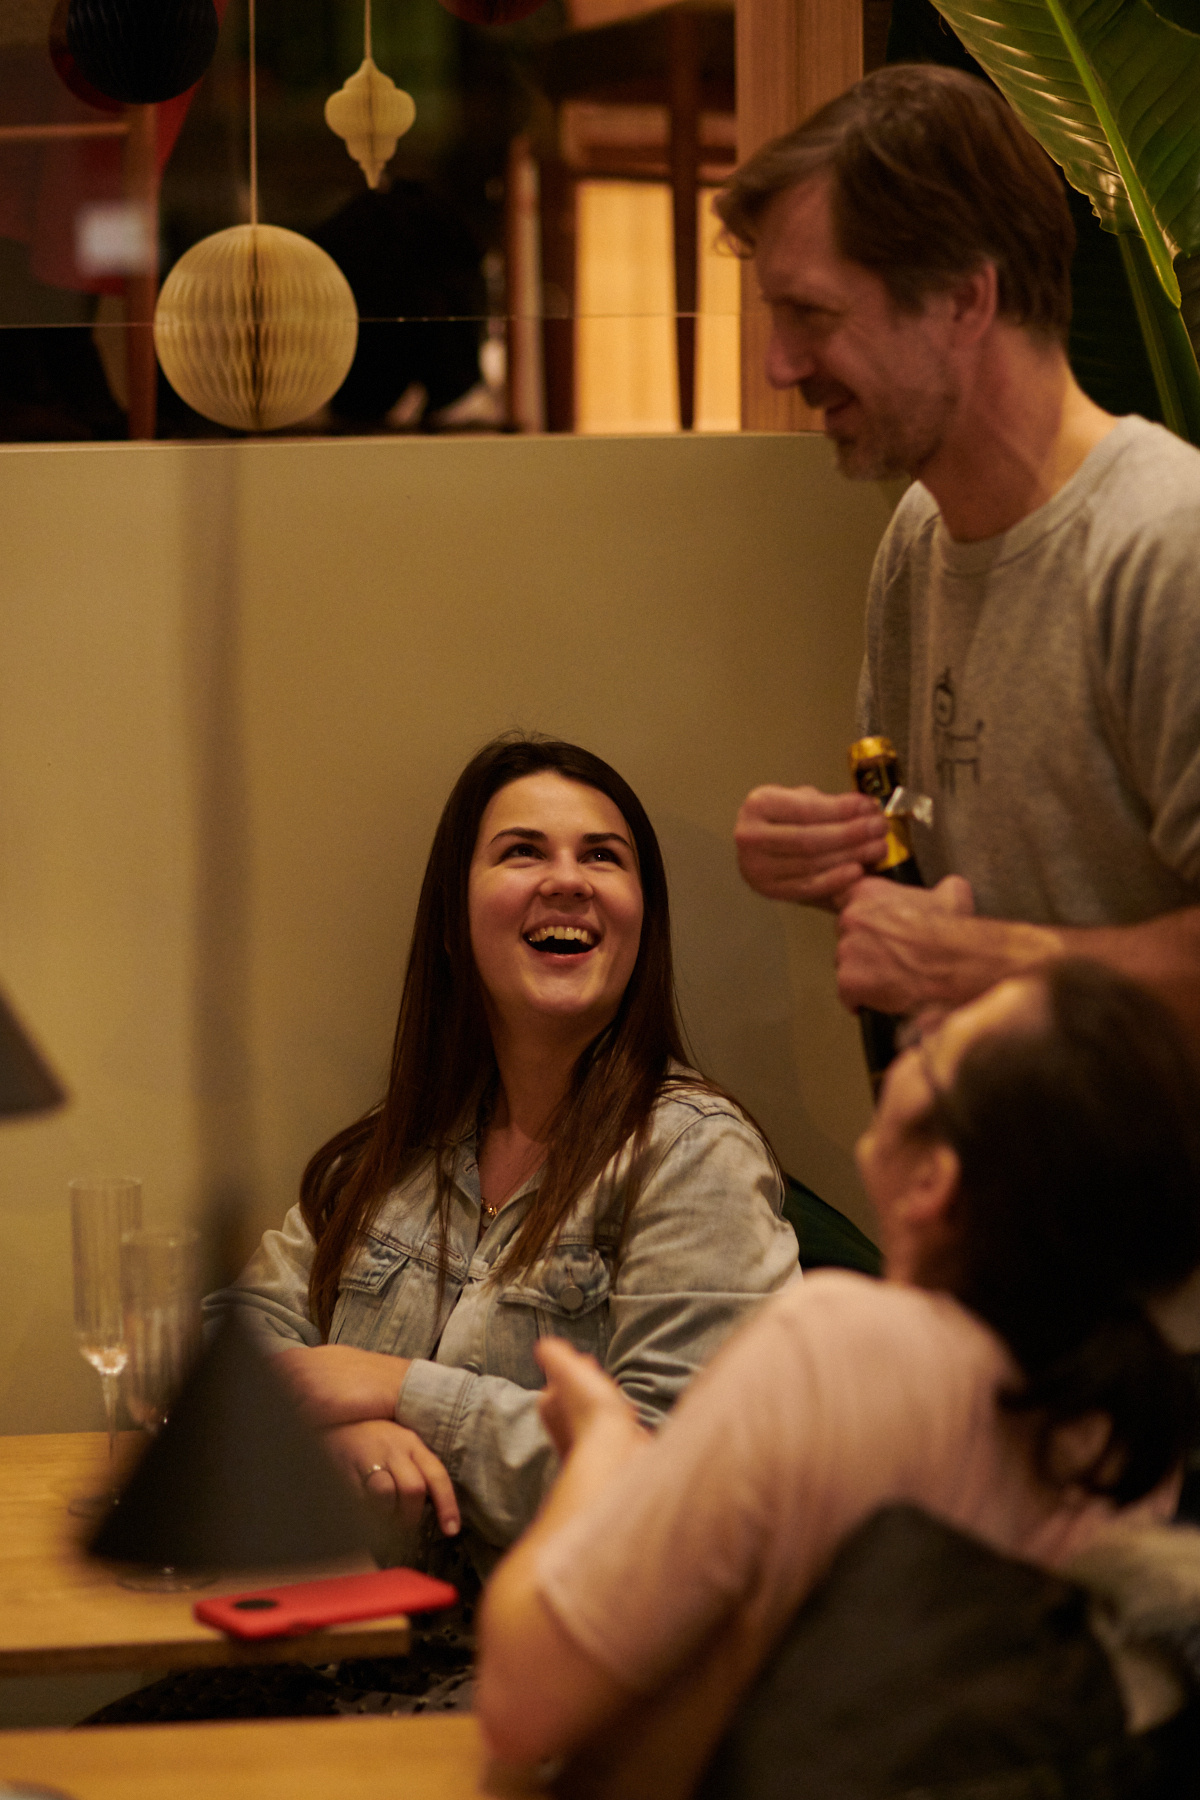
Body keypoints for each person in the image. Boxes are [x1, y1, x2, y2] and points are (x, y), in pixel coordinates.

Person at [476, 959, 1200, 1796]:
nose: (910, 1038)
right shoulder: (1128, 1431)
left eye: (931, 1047)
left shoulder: (840, 1350)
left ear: (933, 1183)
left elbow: (523, 1700)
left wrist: (603, 1449)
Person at [207, 733, 798, 1587]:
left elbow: (682, 1481)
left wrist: (396, 1390)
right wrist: (340, 1433)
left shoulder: (694, 1153)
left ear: (643, 920)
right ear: (454, 923)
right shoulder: (399, 1148)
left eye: (602, 856)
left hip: (538, 1653)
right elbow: (222, 1347)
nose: (568, 880)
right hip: (337, 1629)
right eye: (523, 852)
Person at [722, 64, 1200, 1044]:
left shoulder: (1167, 544)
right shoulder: (918, 537)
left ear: (964, 300)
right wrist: (844, 864)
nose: (779, 364)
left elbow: (976, 950)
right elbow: (951, 878)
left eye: (813, 315)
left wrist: (982, 964)